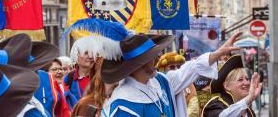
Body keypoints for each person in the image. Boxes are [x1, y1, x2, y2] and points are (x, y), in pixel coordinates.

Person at [101, 33, 242, 117]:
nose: (157, 59)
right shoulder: (124, 103)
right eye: (152, 56)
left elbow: (190, 69)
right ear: (139, 64)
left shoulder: (160, 81)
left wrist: (218, 53)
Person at [156, 52, 200, 117]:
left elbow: (194, 104)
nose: (176, 69)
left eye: (178, 66)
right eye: (172, 67)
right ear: (163, 70)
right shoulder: (159, 86)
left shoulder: (189, 84)